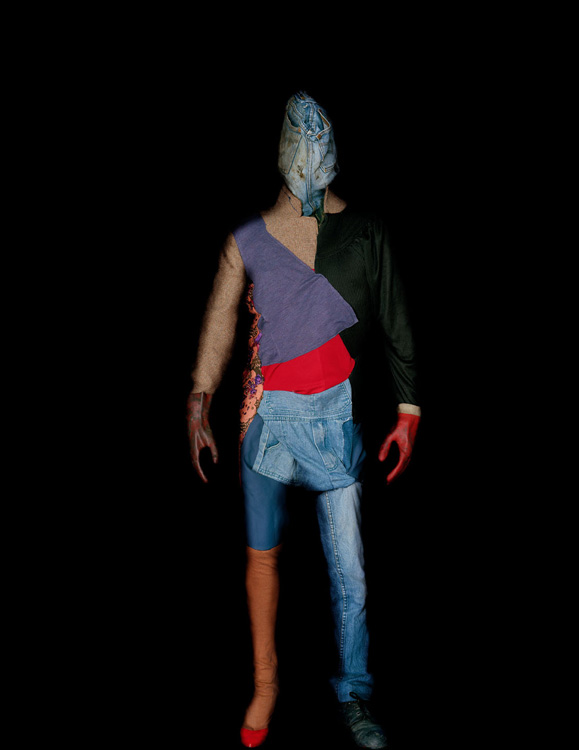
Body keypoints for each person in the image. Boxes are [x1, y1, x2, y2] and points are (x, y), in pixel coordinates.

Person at [187, 91, 421, 749]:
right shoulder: (248, 239)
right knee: (262, 555)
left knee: (349, 571)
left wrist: (408, 410)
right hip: (266, 419)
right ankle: (265, 685)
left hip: (334, 419)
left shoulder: (365, 232)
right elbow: (220, 316)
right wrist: (199, 398)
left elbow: (396, 319)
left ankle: (354, 692)